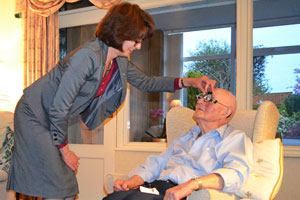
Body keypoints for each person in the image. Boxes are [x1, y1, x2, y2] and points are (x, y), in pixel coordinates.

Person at [7, 2, 216, 200]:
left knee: (68, 186)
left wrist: (190, 81)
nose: (139, 46)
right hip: (33, 115)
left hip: (51, 118)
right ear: (121, 32)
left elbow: (146, 82)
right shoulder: (87, 57)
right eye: (136, 40)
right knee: (56, 184)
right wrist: (66, 150)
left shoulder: (118, 61)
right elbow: (59, 108)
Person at [104, 88, 253, 200]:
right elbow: (157, 163)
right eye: (201, 97)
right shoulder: (186, 136)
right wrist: (132, 181)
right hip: (155, 188)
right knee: (113, 198)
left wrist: (192, 184)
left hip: (183, 195)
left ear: (225, 112)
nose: (200, 101)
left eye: (209, 99)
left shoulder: (233, 138)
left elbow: (236, 173)